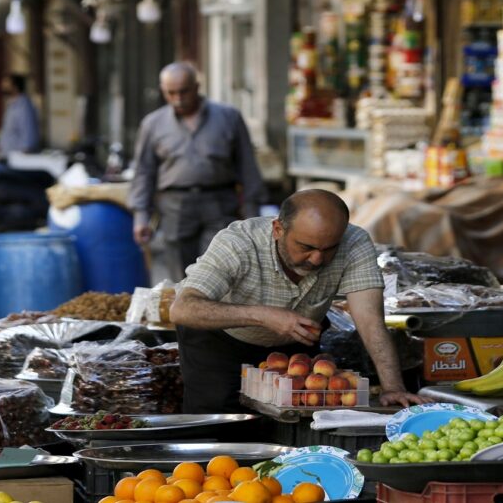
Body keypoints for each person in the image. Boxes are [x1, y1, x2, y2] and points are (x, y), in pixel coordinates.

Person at [169, 189, 428, 413]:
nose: (316, 259)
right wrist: (263, 316)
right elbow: (183, 309)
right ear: (278, 229)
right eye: (306, 247)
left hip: (293, 348)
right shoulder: (238, 243)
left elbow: (371, 322)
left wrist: (393, 387)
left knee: (294, 422)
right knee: (222, 429)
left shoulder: (354, 242)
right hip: (220, 344)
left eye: (328, 250)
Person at [129, 62, 267, 282]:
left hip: (220, 201)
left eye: (183, 91)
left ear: (196, 87)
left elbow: (248, 167)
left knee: (222, 266)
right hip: (175, 204)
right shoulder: (153, 124)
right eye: (170, 93)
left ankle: (218, 315)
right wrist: (141, 216)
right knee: (179, 272)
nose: (178, 98)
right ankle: (184, 316)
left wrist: (253, 216)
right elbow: (144, 171)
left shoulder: (228, 117)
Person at [0, 74, 40, 157]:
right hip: (8, 154)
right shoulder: (12, 104)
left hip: (18, 156)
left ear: (15, 86)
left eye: (7, 83)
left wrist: (25, 151)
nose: (3, 86)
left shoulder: (23, 106)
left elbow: (28, 129)